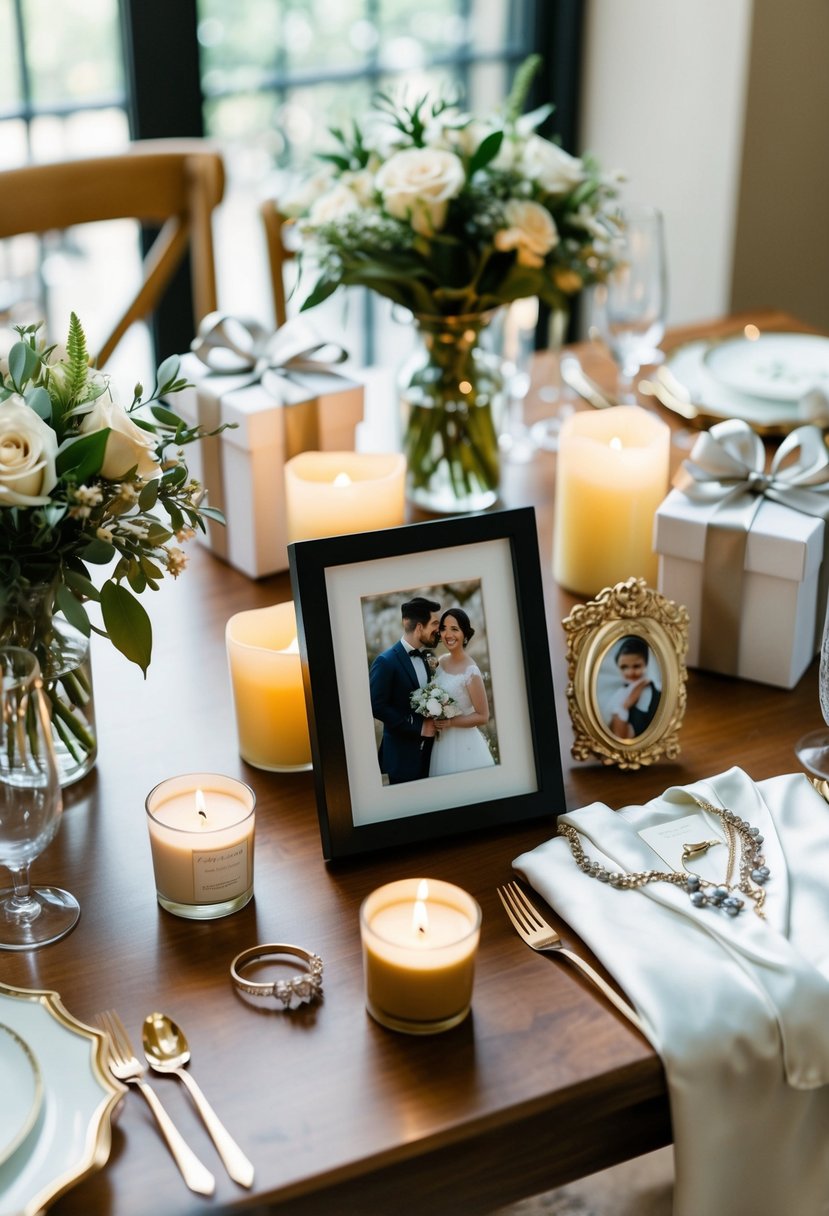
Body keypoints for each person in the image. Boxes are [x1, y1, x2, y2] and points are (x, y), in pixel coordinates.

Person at [369, 596, 441, 784]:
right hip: (402, 759)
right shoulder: (386, 662)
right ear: (419, 627)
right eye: (434, 624)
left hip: (431, 754)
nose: (438, 630)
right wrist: (417, 727)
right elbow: (376, 705)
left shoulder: (428, 657)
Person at [428, 607, 495, 778]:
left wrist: (451, 723)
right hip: (440, 743)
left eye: (454, 629)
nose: (448, 634)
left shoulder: (471, 671)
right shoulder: (441, 662)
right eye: (443, 629)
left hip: (464, 745)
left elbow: (483, 716)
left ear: (465, 635)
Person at [604, 635, 661, 740]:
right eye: (624, 667)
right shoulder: (622, 692)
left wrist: (623, 707)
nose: (630, 672)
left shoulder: (656, 693)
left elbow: (623, 737)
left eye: (637, 666)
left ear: (646, 664)